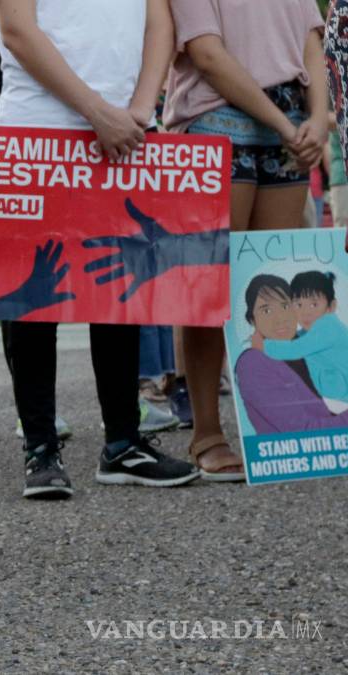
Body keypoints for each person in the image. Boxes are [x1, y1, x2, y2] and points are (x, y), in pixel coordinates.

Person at [0, 0, 199, 499]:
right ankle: (41, 450)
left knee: (118, 292)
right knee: (34, 302)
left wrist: (140, 109)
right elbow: (17, 30)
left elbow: (159, 20)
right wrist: (97, 111)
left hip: (124, 132)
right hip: (37, 127)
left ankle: (123, 443)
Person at [165, 0, 326, 482]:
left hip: (291, 123)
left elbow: (312, 42)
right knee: (210, 286)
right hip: (215, 120)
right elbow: (206, 54)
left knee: (275, 283)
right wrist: (287, 124)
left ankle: (276, 429)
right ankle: (207, 434)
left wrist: (319, 118)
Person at [0, 0, 75, 443]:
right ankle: (36, 418)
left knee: (91, 295)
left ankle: (123, 422)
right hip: (16, 170)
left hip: (75, 164)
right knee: (25, 304)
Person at [235, 274, 348, 434]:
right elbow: (303, 431)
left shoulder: (312, 342)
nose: (280, 318)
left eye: (285, 306)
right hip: (309, 447)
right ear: (252, 320)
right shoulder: (254, 363)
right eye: (266, 310)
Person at [255, 271, 348, 401]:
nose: (305, 312)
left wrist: (264, 346)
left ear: (331, 307)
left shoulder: (328, 326)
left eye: (314, 305)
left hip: (341, 388)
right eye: (298, 305)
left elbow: (295, 349)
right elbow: (298, 339)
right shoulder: (313, 330)